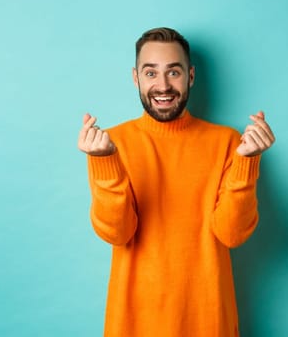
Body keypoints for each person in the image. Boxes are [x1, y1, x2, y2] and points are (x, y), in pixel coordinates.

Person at [77, 27, 275, 336]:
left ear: (191, 76)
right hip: (134, 324)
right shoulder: (112, 143)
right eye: (151, 73)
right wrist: (105, 162)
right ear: (135, 78)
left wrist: (247, 161)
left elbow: (232, 234)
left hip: (208, 321)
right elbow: (118, 232)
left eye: (174, 72)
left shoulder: (228, 142)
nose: (163, 85)